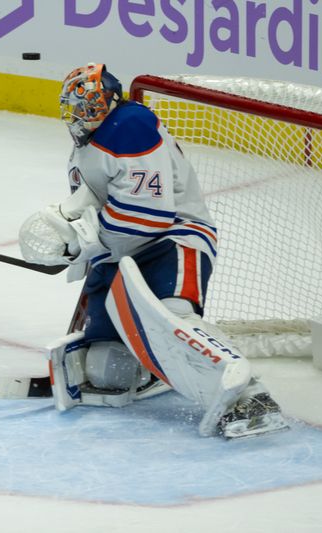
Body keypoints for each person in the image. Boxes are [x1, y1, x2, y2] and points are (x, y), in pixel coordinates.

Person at [18, 63, 289, 439]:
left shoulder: (129, 126)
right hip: (120, 253)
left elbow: (150, 216)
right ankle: (156, 370)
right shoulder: (83, 153)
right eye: (77, 108)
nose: (83, 115)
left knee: (174, 320)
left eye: (91, 106)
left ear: (111, 100)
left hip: (173, 240)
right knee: (105, 371)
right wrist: (70, 239)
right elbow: (97, 213)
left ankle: (249, 396)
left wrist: (84, 239)